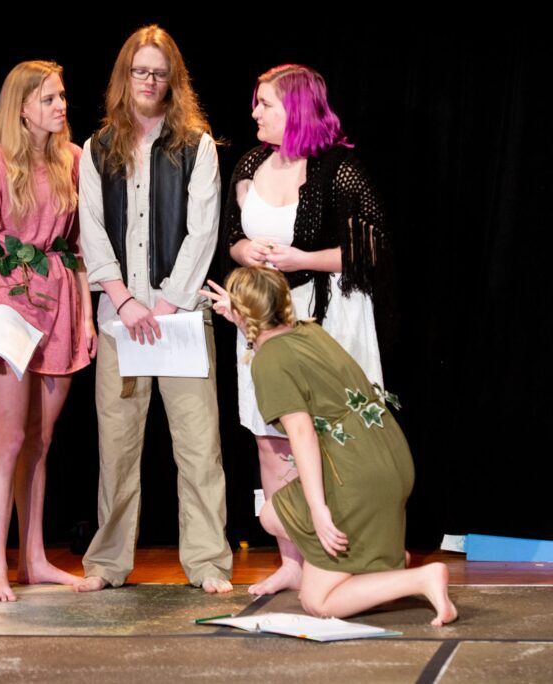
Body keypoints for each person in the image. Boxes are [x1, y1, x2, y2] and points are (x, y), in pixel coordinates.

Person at [202, 267, 456, 625]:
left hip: (356, 474)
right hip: (389, 457)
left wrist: (320, 510)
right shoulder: (308, 332)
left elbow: (302, 434)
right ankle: (379, 560)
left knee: (318, 601)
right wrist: (242, 316)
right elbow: (265, 333)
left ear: (246, 313)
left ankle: (419, 579)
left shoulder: (270, 360)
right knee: (273, 514)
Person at [224, 64, 393, 595]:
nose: (255, 112)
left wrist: (303, 258)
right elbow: (231, 235)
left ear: (296, 111)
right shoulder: (251, 162)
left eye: (266, 103)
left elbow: (370, 252)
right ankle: (292, 562)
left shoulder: (338, 170)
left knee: (327, 436)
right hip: (263, 317)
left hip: (323, 317)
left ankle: (340, 553)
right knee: (271, 440)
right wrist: (242, 252)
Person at [76, 25, 232, 594]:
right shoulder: (97, 149)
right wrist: (123, 300)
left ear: (172, 81)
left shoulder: (197, 146)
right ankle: (108, 563)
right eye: (140, 70)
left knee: (198, 447)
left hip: (182, 320)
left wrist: (163, 303)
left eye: (158, 72)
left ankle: (210, 564)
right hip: (121, 323)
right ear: (125, 76)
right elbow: (91, 230)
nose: (148, 80)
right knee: (116, 451)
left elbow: (203, 229)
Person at [0, 60, 97, 602]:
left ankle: (35, 558)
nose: (60, 106)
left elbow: (85, 250)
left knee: (41, 441)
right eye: (48, 99)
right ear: (21, 107)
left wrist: (87, 316)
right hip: (10, 303)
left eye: (62, 96)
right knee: (11, 437)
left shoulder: (75, 160)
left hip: (62, 299)